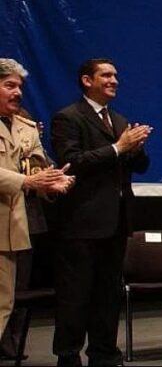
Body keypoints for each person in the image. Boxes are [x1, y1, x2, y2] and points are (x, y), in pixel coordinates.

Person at [50, 58, 152, 366]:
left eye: (116, 76)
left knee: (109, 295)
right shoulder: (68, 118)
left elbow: (141, 167)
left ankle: (104, 353)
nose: (114, 80)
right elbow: (72, 162)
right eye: (106, 75)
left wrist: (135, 149)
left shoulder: (119, 120)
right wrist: (119, 148)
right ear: (86, 80)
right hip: (81, 221)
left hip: (116, 222)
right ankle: (68, 356)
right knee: (75, 294)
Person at [0, 60, 73, 337]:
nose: (18, 92)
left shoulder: (25, 128)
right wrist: (26, 182)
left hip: (11, 231)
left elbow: (39, 166)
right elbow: (25, 178)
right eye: (9, 85)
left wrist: (52, 182)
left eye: (20, 86)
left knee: (4, 304)